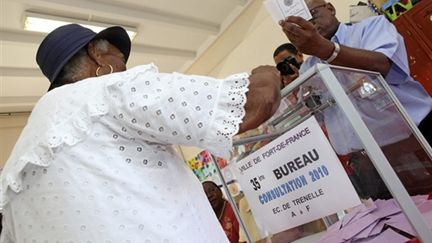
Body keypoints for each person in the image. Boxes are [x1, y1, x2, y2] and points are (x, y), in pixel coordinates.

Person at [0, 24, 282, 242]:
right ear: (95, 53)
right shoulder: (108, 92)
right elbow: (255, 101)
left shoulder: (14, 171)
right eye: (120, 58)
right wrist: (268, 71)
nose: (125, 69)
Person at [279, 0, 432, 199]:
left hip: (417, 138)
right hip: (368, 161)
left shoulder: (370, 27)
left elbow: (382, 65)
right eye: (301, 24)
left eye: (312, 15)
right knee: (405, 223)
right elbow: (311, 115)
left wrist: (326, 49)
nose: (309, 25)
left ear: (330, 8)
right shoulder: (309, 68)